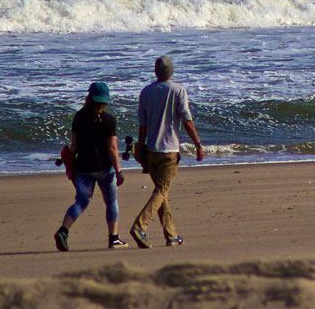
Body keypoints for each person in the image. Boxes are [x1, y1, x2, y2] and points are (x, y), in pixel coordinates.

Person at [129, 56, 205, 248]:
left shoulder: (146, 92)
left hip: (151, 151)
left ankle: (171, 235)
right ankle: (140, 226)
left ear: (156, 71)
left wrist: (141, 147)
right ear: (172, 71)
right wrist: (197, 143)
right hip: (169, 151)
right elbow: (186, 120)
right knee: (161, 191)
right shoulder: (178, 90)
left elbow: (143, 125)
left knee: (160, 193)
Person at [54, 81, 128, 251]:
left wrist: (69, 166)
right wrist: (118, 171)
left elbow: (74, 146)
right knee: (111, 201)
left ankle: (63, 230)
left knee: (81, 202)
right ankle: (113, 238)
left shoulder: (79, 117)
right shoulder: (109, 120)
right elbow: (112, 148)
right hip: (104, 168)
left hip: (83, 167)